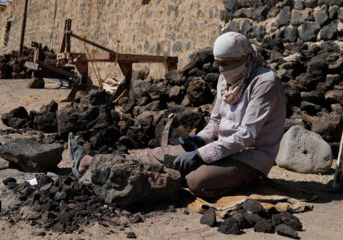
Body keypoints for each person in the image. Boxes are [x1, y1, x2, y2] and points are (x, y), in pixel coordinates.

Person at [69, 32, 286, 199]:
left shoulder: (264, 82)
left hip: (250, 157)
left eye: (226, 64)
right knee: (156, 154)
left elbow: (245, 137)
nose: (221, 70)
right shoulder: (227, 78)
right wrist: (199, 140)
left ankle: (251, 180)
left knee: (196, 181)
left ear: (243, 57)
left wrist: (200, 156)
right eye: (218, 64)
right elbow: (216, 122)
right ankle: (92, 163)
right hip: (220, 148)